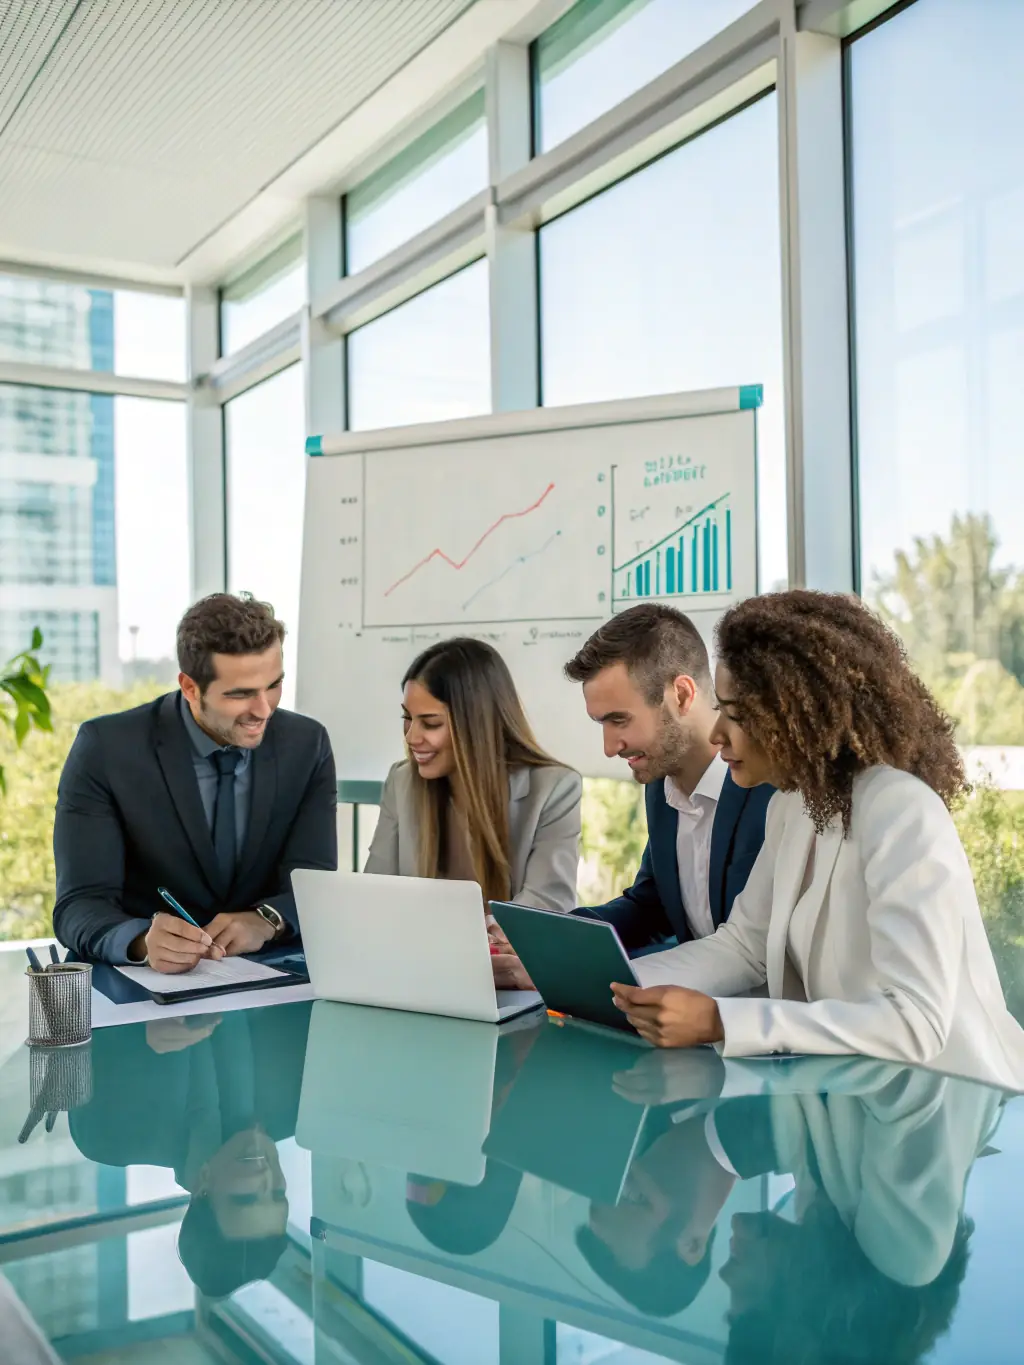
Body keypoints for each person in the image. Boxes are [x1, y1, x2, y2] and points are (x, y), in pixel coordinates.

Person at [611, 590, 1024, 1091]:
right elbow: (745, 945)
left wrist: (723, 1021)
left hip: (951, 1101)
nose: (717, 734)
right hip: (853, 1098)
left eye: (736, 714)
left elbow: (915, 1020)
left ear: (796, 713)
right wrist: (614, 983)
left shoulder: (900, 809)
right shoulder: (792, 805)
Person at [492, 604, 772, 989]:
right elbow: (651, 907)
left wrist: (576, 971)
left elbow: (748, 948)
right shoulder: (661, 783)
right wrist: (548, 938)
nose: (610, 748)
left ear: (682, 695)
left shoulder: (770, 789)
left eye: (619, 720)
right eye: (601, 723)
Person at [53, 593, 337, 969]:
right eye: (241, 694)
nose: (263, 710)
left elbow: (314, 884)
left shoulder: (307, 744)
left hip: (268, 973)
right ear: (189, 688)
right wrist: (140, 941)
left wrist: (267, 920)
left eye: (273, 685)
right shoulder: (107, 748)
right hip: (143, 985)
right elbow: (79, 904)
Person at [69, 1002, 312, 1299]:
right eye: (277, 1194)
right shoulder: (299, 1106)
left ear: (203, 1191)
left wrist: (136, 1031)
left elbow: (60, 1007)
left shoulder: (108, 1136)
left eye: (246, 1196)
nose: (266, 1178)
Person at [364, 638, 581, 914]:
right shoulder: (401, 781)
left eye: (430, 723)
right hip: (417, 940)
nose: (411, 737)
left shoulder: (554, 789)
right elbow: (374, 894)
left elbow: (548, 905)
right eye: (407, 718)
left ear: (476, 724)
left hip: (501, 944)